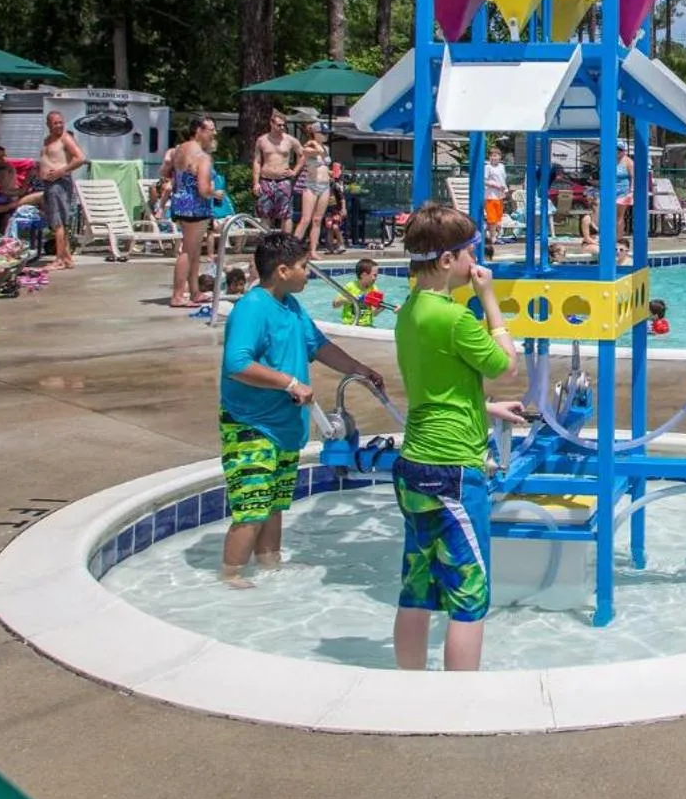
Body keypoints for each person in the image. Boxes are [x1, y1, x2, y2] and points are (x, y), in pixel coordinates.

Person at [390, 203, 528, 671]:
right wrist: (490, 300)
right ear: (448, 261)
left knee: (416, 587)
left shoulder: (410, 311)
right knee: (469, 598)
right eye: (471, 253)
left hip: (414, 464)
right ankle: (459, 699)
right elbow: (507, 366)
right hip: (452, 469)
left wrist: (483, 407)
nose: (475, 263)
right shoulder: (454, 319)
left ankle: (406, 686)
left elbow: (436, 386)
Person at [217, 231, 384, 588]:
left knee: (275, 502)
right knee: (252, 506)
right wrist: (289, 383)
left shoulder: (290, 307)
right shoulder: (253, 308)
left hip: (283, 426)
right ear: (282, 270)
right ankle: (229, 577)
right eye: (304, 267)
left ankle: (270, 565)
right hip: (251, 424)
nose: (309, 273)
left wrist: (360, 370)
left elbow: (319, 347)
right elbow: (236, 363)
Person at [159, 118, 220, 309]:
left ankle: (195, 292)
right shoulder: (202, 157)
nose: (214, 134)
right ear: (198, 130)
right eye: (210, 130)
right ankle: (178, 295)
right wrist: (216, 193)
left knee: (193, 251)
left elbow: (165, 172)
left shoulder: (178, 150)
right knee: (188, 250)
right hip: (196, 206)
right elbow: (203, 189)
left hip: (180, 204)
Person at [29, 111, 89, 268]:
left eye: (61, 122)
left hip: (59, 183)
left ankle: (59, 260)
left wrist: (61, 171)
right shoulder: (48, 140)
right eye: (55, 123)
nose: (59, 125)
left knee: (58, 222)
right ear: (48, 124)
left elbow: (81, 158)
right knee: (56, 222)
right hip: (49, 184)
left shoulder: (65, 139)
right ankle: (67, 257)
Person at [252, 110, 302, 229]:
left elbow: (303, 155)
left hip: (283, 180)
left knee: (286, 214)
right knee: (264, 213)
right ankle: (265, 241)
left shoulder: (290, 140)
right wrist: (255, 183)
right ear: (271, 123)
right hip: (266, 180)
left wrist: (295, 171)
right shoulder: (262, 140)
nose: (282, 127)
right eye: (279, 125)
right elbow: (257, 161)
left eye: (284, 125)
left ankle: (286, 244)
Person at [289, 125, 334, 259]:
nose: (326, 135)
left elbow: (324, 164)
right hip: (311, 186)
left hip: (325, 185)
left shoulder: (327, 148)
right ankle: (292, 249)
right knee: (305, 219)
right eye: (323, 133)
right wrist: (314, 142)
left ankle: (313, 251)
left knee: (317, 220)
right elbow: (317, 152)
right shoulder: (308, 148)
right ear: (315, 133)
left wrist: (330, 172)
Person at [337, 257, 385, 327]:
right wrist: (351, 299)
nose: (376, 278)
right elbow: (335, 304)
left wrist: (381, 308)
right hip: (350, 325)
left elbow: (374, 313)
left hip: (367, 325)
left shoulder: (374, 289)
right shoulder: (350, 286)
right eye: (374, 275)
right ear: (364, 275)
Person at [483, 146, 509, 229]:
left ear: (500, 157)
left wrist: (505, 189)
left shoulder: (502, 166)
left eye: (495, 155)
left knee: (498, 218)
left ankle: (495, 236)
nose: (493, 158)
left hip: (500, 195)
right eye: (492, 156)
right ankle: (493, 238)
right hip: (491, 195)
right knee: (492, 218)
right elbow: (484, 180)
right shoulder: (487, 167)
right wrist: (495, 185)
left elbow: (503, 179)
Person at [611, 145, 634, 237]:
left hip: (624, 192)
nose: (618, 151)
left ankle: (619, 237)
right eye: (616, 149)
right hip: (612, 192)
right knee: (612, 215)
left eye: (620, 150)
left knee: (619, 216)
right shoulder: (612, 160)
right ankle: (613, 235)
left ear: (624, 151)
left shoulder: (629, 162)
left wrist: (631, 191)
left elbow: (633, 177)